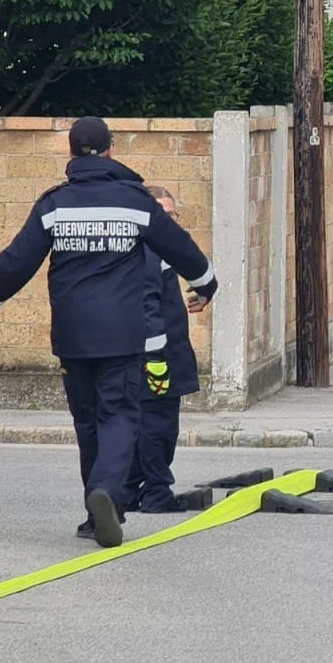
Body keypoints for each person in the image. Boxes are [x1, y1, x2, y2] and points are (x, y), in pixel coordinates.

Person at [0, 117, 218, 548]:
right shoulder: (134, 203)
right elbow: (180, 248)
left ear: (70, 152)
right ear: (111, 151)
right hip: (123, 334)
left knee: (88, 422)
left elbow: (17, 260)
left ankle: (94, 514)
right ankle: (108, 494)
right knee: (119, 414)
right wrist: (206, 284)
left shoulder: (55, 205)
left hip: (73, 336)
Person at [122, 186, 208, 515]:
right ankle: (156, 492)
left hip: (169, 351)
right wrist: (156, 359)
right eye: (161, 214)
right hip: (156, 356)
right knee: (157, 425)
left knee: (151, 423)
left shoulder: (163, 251)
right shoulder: (148, 252)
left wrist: (202, 290)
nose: (168, 220)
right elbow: (148, 309)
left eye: (172, 214)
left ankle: (130, 490)